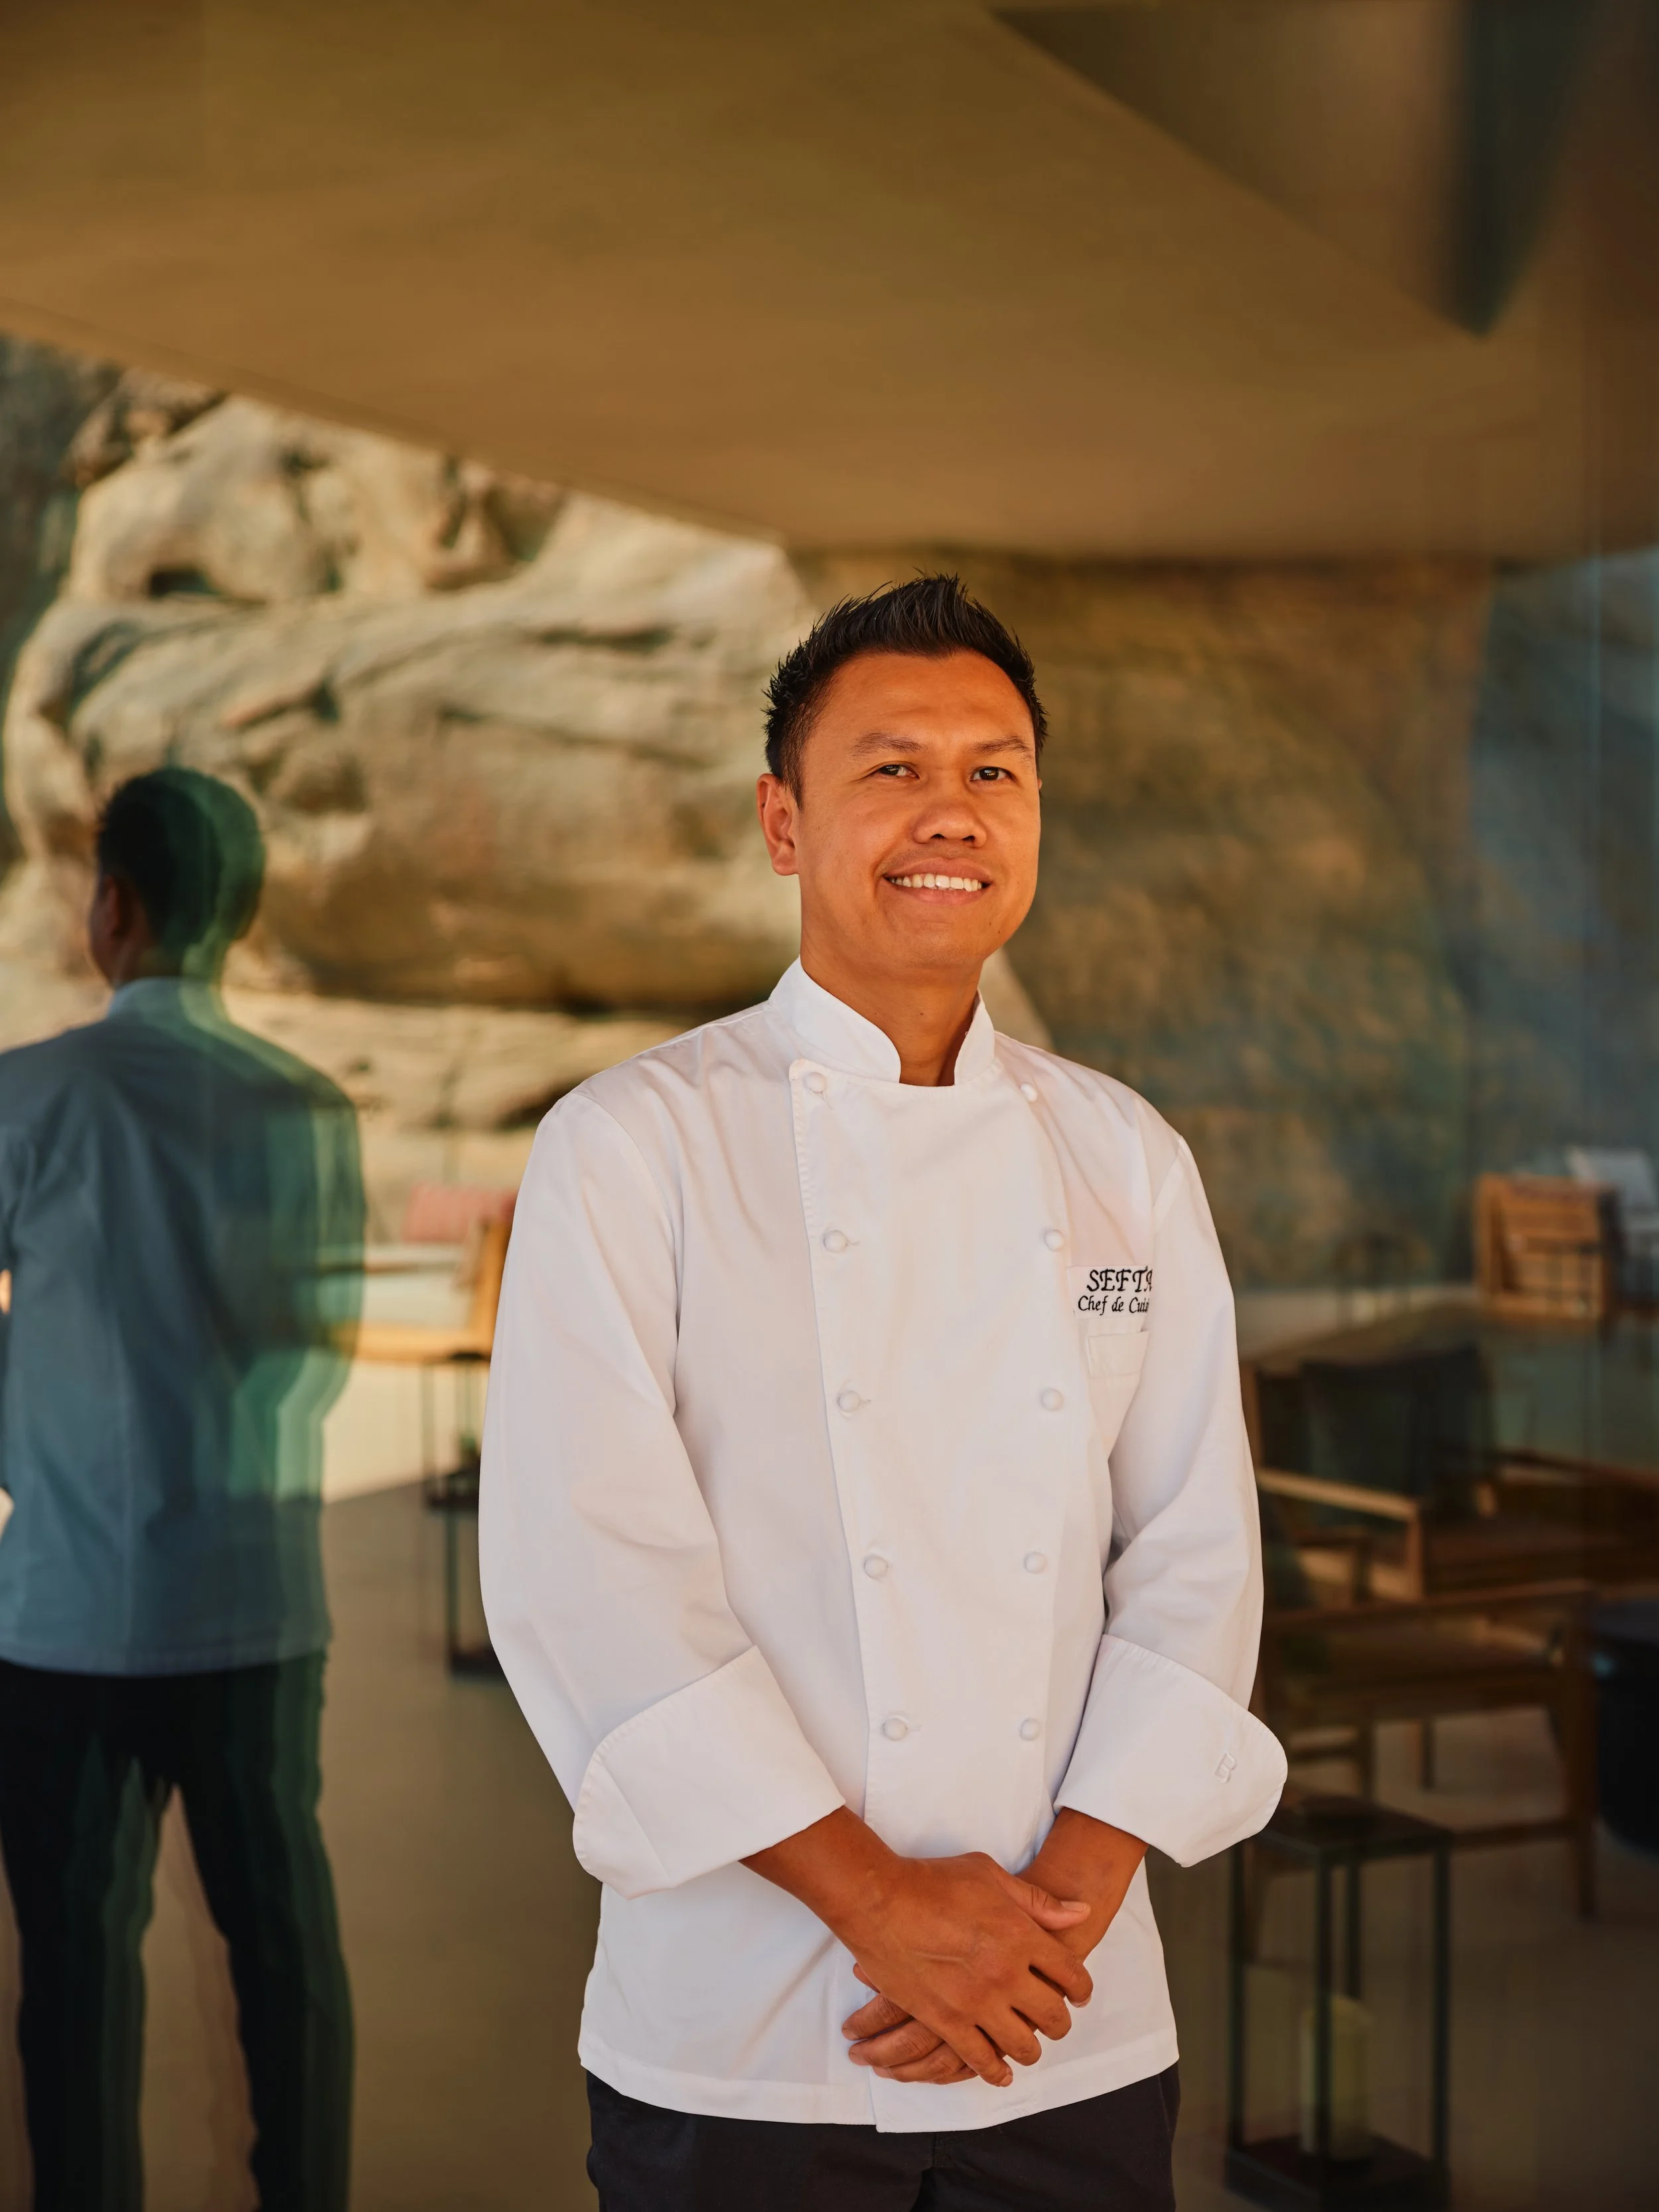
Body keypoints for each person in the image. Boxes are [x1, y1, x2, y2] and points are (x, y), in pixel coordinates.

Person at [480, 575, 1286, 2211]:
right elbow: (591, 1581)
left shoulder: (1122, 1154)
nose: (952, 811)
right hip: (750, 2039)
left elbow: (1196, 1552)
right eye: (891, 767)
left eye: (994, 771)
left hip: (1065, 2017)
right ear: (783, 823)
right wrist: (884, 1908)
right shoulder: (638, 1143)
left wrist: (1049, 1910)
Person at [0, 768, 361, 2212]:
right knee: (285, 1960)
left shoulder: (33, 1093)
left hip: (65, 1619)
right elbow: (317, 1353)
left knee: (76, 1980)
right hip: (257, 1609)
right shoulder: (309, 1108)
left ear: (115, 907)